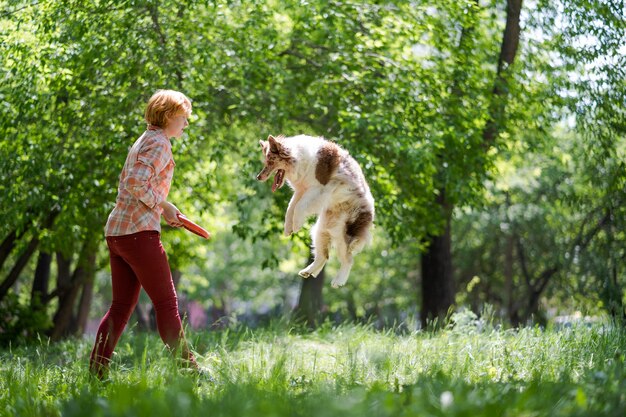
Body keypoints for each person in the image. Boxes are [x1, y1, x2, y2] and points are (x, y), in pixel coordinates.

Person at [90, 89, 198, 378]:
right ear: (167, 116)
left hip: (118, 233)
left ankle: (96, 375)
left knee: (120, 307)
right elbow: (138, 184)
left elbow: (131, 182)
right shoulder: (160, 143)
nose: (186, 124)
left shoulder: (144, 139)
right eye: (183, 118)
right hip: (138, 233)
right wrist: (163, 205)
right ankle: (191, 373)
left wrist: (164, 209)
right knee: (166, 304)